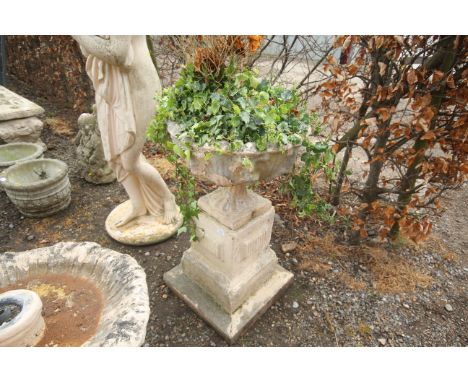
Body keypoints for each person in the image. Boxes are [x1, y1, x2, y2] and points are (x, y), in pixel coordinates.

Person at [73, 35, 178, 227]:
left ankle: (168, 198)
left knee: (130, 161)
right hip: (110, 90)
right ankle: (138, 206)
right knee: (115, 155)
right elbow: (87, 50)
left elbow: (118, 54)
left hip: (138, 90)